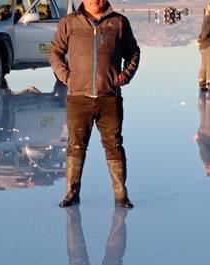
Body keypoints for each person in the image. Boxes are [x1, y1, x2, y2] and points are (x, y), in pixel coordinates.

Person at [49, 0, 141, 208]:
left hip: (109, 97)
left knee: (114, 145)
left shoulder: (118, 22)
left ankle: (121, 195)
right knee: (75, 145)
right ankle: (71, 194)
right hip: (78, 98)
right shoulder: (69, 22)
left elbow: (133, 52)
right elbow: (55, 51)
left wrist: (124, 77)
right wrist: (66, 76)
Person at [194, 91, 210, 176]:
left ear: (209, 169)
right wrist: (198, 139)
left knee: (209, 113)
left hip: (208, 134)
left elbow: (203, 147)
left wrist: (198, 140)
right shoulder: (204, 159)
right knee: (203, 113)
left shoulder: (208, 159)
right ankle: (201, 93)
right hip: (202, 133)